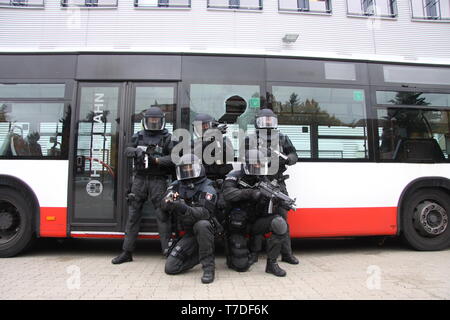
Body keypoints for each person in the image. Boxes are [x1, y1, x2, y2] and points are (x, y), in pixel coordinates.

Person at [112, 106, 176, 264]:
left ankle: (168, 253)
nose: (153, 123)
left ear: (162, 121)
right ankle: (127, 252)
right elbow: (126, 150)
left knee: (162, 216)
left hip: (158, 180)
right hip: (140, 179)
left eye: (156, 121)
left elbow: (174, 158)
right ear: (145, 121)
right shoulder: (138, 135)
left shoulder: (168, 137)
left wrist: (156, 160)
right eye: (151, 121)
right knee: (133, 216)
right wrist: (137, 152)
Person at [223, 149, 290, 277]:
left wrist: (280, 202)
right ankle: (242, 255)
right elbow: (227, 194)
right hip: (237, 226)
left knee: (279, 223)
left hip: (255, 223)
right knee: (241, 266)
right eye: (255, 164)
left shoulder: (263, 179)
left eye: (260, 164)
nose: (258, 167)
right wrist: (250, 193)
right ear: (247, 164)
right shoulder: (235, 175)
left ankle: (272, 264)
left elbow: (274, 194)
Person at [245, 108, 299, 265]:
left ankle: (287, 254)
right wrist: (265, 159)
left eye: (270, 121)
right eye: (264, 121)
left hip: (278, 181)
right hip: (259, 181)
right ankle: (254, 253)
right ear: (257, 122)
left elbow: (294, 155)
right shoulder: (250, 139)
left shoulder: (282, 137)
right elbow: (246, 158)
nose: (267, 124)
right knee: (258, 217)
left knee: (283, 216)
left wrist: (288, 159)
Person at [161, 154, 218, 284]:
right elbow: (163, 203)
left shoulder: (207, 186)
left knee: (202, 224)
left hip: (207, 230)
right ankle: (199, 255)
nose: (188, 171)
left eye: (190, 168)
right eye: (184, 168)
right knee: (171, 268)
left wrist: (182, 207)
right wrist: (169, 201)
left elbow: (205, 213)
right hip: (189, 233)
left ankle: (209, 268)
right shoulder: (176, 185)